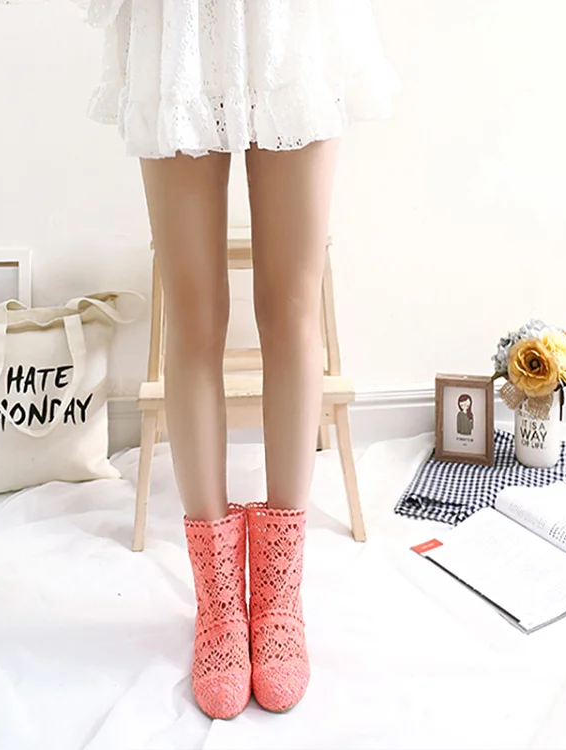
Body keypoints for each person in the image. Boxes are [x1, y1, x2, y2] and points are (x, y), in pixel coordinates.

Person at [79, 0, 398, 719]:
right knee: (194, 315)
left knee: (291, 306)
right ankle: (220, 600)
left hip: (289, 18)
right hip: (179, 20)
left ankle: (279, 595)